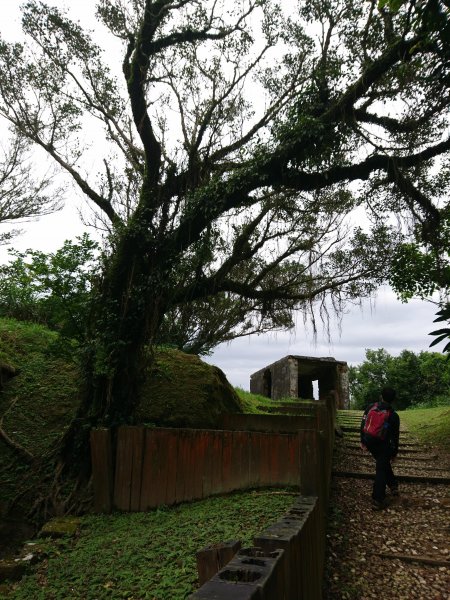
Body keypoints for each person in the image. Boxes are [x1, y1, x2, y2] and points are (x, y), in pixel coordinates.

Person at [360, 387, 400, 510]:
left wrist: (363, 440)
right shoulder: (393, 415)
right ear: (393, 400)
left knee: (382, 464)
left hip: (370, 441)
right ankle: (378, 499)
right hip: (383, 445)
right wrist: (394, 452)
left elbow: (363, 423)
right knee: (381, 469)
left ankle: (393, 485)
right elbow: (394, 436)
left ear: (381, 396)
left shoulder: (370, 407)